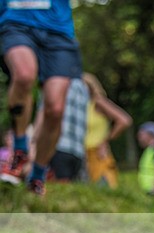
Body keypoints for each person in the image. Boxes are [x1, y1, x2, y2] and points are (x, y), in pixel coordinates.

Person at [0, 0, 83, 195]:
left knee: (55, 109)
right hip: (15, 22)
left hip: (58, 30)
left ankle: (37, 175)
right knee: (24, 75)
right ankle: (20, 150)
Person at [30, 76, 89, 183]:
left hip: (57, 146)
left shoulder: (53, 84)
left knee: (53, 187)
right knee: (69, 191)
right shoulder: (83, 87)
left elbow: (43, 116)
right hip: (78, 150)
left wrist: (33, 143)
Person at [83, 73, 132, 189]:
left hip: (99, 154)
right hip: (84, 156)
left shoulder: (98, 102)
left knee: (104, 188)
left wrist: (106, 140)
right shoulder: (82, 106)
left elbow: (124, 120)